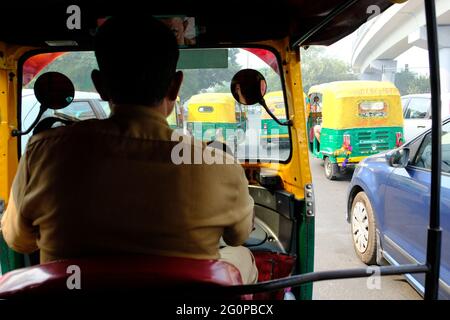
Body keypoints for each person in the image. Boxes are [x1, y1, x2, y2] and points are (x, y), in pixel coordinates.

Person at [1, 15, 257, 284]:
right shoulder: (218, 165)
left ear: (99, 85)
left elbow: (18, 240)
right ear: (176, 85)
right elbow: (238, 235)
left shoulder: (44, 153)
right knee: (240, 255)